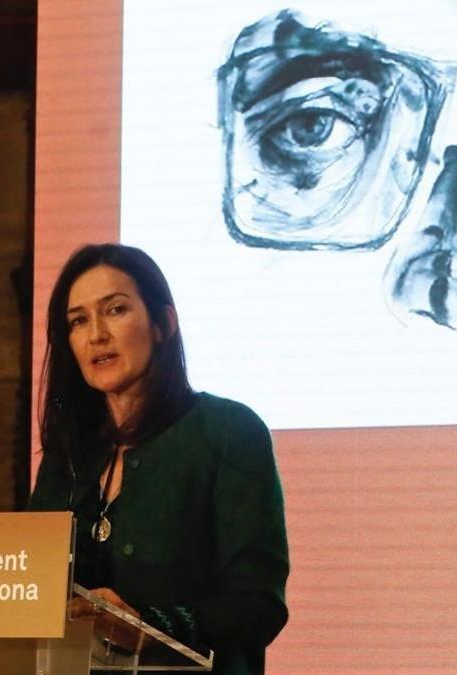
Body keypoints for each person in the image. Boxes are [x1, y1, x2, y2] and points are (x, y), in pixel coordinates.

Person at [29, 243, 289, 675]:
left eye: (115, 310)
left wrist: (145, 627)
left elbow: (258, 605)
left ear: (162, 324)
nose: (96, 334)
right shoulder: (65, 457)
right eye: (78, 321)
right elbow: (31, 586)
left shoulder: (229, 432)